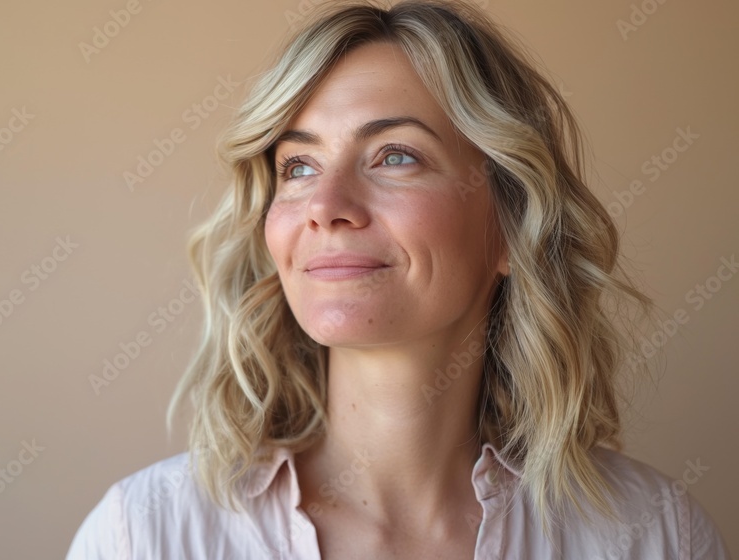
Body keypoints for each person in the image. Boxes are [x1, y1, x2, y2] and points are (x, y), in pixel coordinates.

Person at [66, 1, 732, 558]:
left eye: (394, 156)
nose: (326, 207)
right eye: (298, 166)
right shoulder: (145, 534)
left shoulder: (653, 534)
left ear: (509, 226)